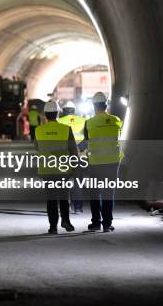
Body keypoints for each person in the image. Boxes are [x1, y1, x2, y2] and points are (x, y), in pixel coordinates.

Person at [35, 100, 79, 234]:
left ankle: (53, 227)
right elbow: (73, 150)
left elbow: (37, 148)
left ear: (45, 115)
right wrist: (75, 168)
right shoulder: (66, 130)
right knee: (64, 197)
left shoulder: (38, 130)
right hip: (63, 170)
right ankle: (66, 221)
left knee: (51, 199)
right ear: (58, 113)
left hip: (47, 170)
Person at [83, 92, 123, 232]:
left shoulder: (89, 123)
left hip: (95, 163)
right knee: (108, 193)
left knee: (94, 193)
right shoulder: (117, 120)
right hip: (112, 163)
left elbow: (86, 142)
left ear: (94, 106)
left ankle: (96, 223)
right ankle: (107, 224)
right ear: (106, 104)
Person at [58, 101, 86, 213]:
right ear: (74, 111)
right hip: (80, 156)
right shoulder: (83, 121)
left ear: (63, 111)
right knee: (78, 181)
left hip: (64, 157)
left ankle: (66, 205)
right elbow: (88, 138)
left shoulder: (59, 122)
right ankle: (78, 207)